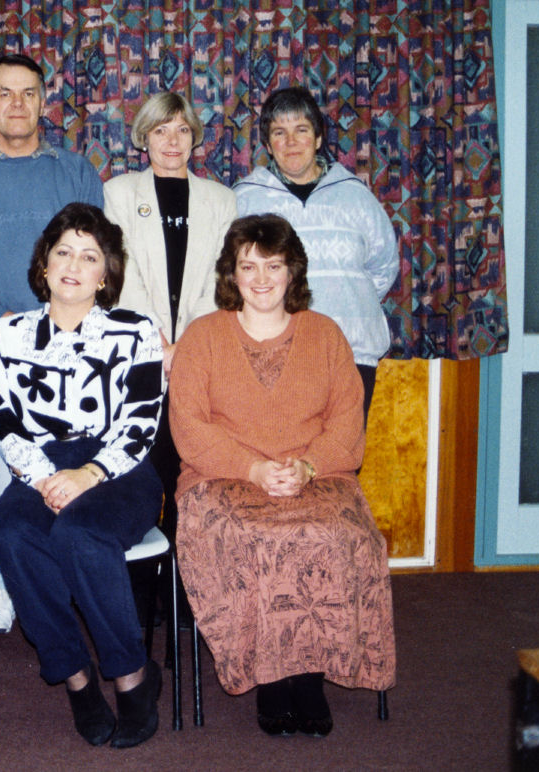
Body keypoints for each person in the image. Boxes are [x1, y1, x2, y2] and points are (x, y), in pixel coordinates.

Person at [168, 214, 396, 738]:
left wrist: (309, 466)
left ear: (293, 271)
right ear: (232, 273)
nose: (262, 278)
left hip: (314, 474)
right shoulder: (202, 337)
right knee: (252, 535)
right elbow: (190, 428)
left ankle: (309, 677)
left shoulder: (326, 334)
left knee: (336, 532)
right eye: (249, 266)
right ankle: (271, 679)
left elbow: (347, 424)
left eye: (273, 265)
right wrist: (252, 469)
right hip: (220, 478)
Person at [0, 202, 166, 750]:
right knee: (11, 533)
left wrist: (89, 472)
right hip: (39, 466)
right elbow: (7, 424)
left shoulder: (136, 333)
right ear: (44, 263)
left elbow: (141, 422)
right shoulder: (5, 335)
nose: (73, 265)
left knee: (80, 534)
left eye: (89, 256)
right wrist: (45, 479)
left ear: (105, 273)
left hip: (121, 469)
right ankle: (77, 679)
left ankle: (133, 677)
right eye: (63, 252)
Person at [0, 52, 105, 633]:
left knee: (67, 466)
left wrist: (59, 324)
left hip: (71, 351)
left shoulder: (75, 172)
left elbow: (97, 257)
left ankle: (59, 580)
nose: (17, 104)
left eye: (29, 93)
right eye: (4, 94)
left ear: (45, 102)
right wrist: (6, 321)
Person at [102, 91, 236, 579]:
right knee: (140, 472)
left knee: (191, 472)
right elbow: (121, 271)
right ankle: (139, 593)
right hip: (138, 354)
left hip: (199, 357)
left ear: (195, 137)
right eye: (161, 130)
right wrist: (155, 342)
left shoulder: (221, 200)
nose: (172, 141)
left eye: (181, 130)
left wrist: (186, 347)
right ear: (144, 138)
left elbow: (221, 279)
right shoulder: (119, 194)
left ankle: (189, 587)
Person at [233, 86, 399, 420]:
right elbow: (231, 276)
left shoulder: (356, 196)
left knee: (339, 461)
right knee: (282, 462)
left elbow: (384, 266)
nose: (291, 142)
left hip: (351, 354)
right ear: (267, 144)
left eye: (301, 130)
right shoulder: (244, 200)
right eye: (280, 132)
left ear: (319, 138)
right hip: (273, 356)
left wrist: (343, 300)